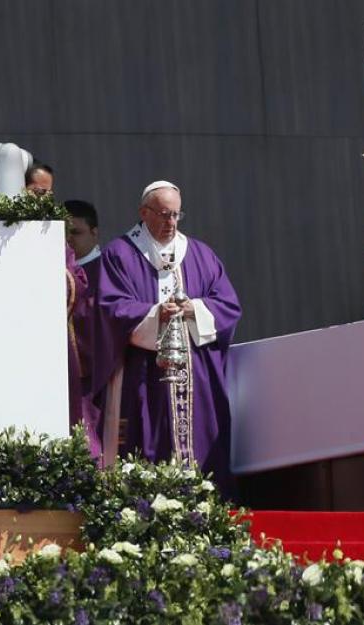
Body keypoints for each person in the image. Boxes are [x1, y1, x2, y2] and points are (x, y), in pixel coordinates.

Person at [93, 180, 241, 497]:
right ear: (143, 213)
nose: (170, 223)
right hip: (144, 372)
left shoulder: (200, 254)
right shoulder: (120, 254)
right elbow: (111, 307)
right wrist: (154, 315)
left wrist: (195, 308)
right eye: (163, 214)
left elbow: (228, 305)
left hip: (195, 374)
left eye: (176, 215)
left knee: (202, 445)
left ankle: (205, 508)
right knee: (147, 440)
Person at [64, 200, 101, 453]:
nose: (69, 240)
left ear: (94, 232)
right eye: (64, 234)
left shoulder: (108, 268)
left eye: (76, 232)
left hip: (95, 374)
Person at [65, 199, 101, 265]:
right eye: (63, 232)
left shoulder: (106, 269)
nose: (67, 238)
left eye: (75, 232)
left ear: (94, 233)